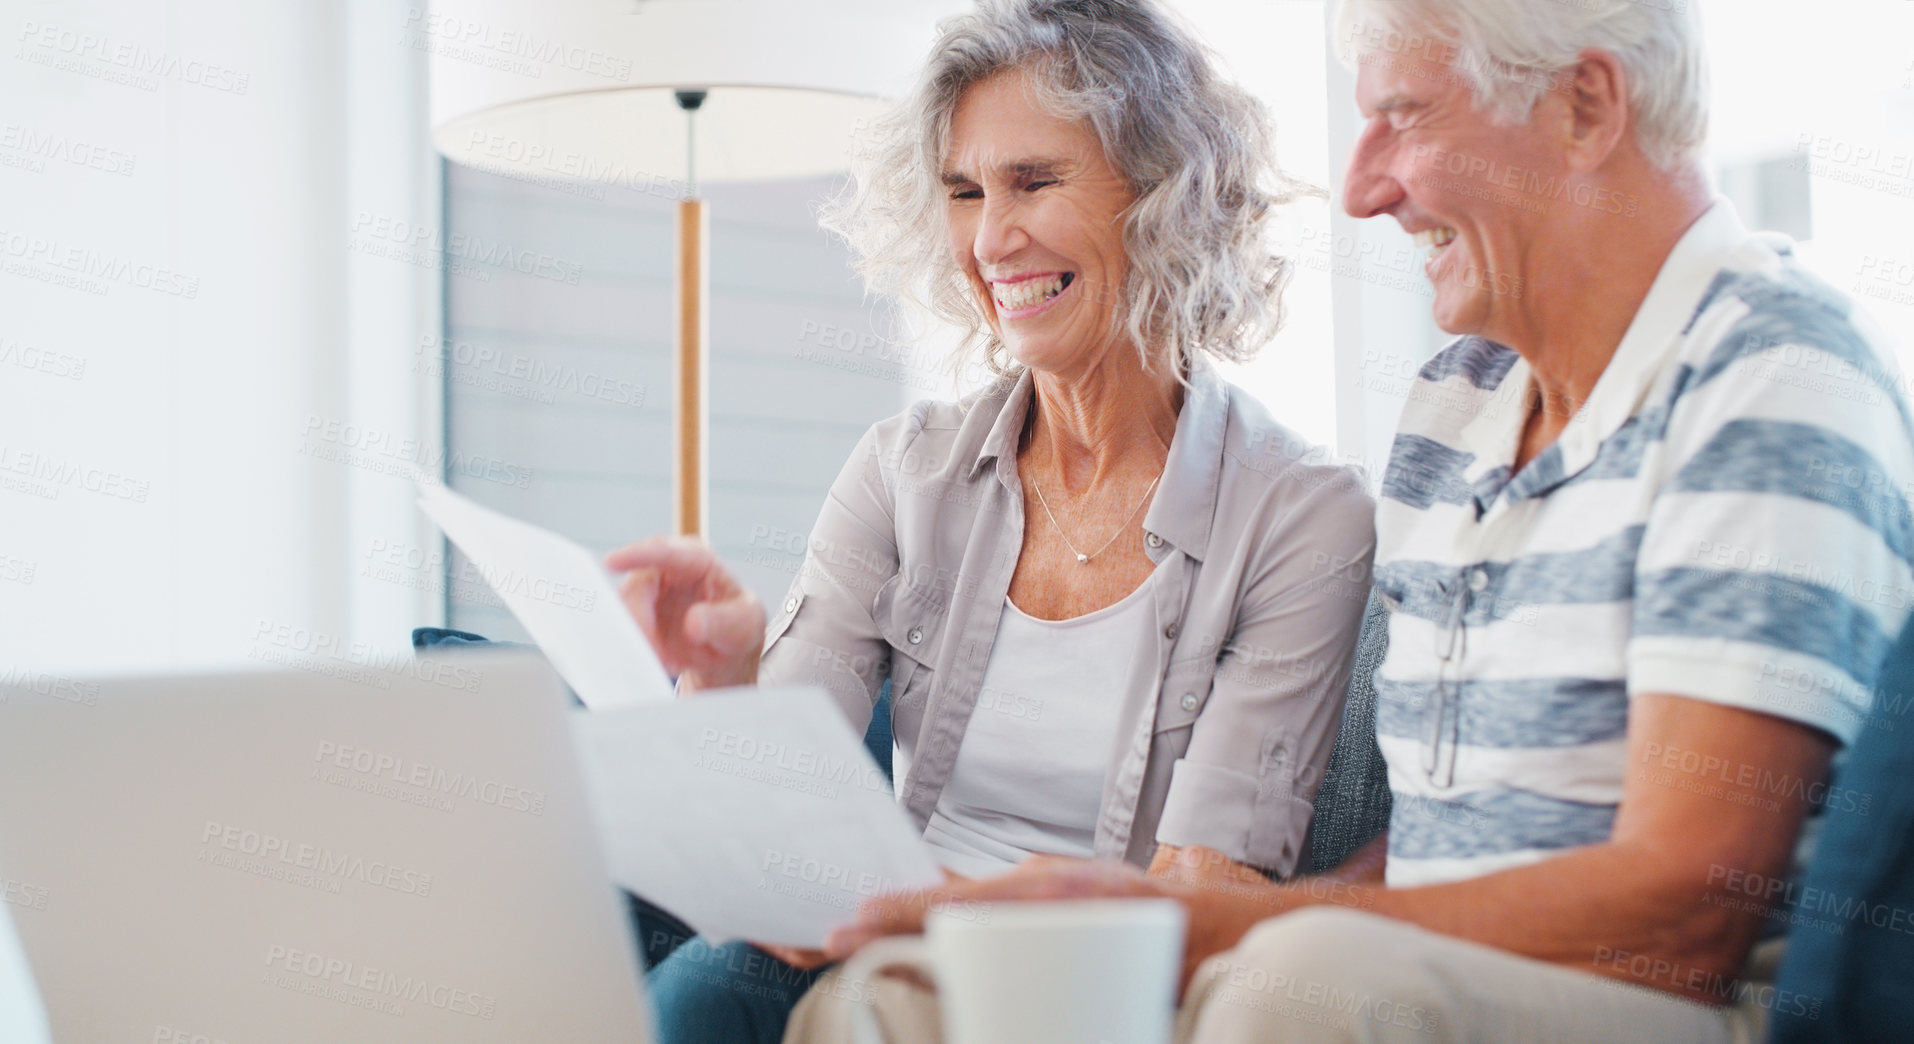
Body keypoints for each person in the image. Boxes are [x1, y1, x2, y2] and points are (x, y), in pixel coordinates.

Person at [789, 1, 1914, 1041]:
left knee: (1298, 979)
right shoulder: (1460, 402)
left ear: (1586, 106)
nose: (1365, 185)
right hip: (1419, 978)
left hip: (1672, 1001)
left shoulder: (1770, 377)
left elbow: (1691, 906)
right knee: (903, 995)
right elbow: (1437, 858)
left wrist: (1200, 926)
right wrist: (1177, 926)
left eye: (1402, 118)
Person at [605, 1, 1376, 1041]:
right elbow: (778, 812)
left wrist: (904, 902)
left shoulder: (1301, 517)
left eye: (1033, 182)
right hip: (873, 939)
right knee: (635, 927)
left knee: (712, 987)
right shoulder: (901, 468)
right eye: (964, 192)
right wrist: (724, 672)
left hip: (1083, 983)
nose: (990, 238)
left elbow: (1204, 888)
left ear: (1161, 194)